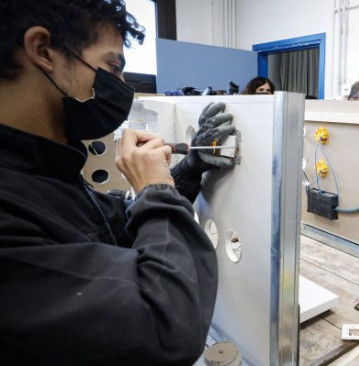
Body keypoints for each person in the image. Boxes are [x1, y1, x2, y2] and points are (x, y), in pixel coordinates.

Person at [0, 1, 235, 364]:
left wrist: (185, 172)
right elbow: (168, 329)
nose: (122, 87)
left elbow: (114, 226)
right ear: (43, 50)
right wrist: (155, 190)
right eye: (112, 67)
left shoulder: (42, 172)